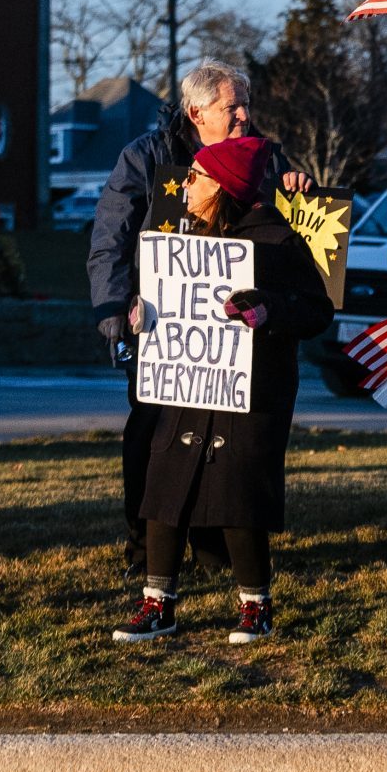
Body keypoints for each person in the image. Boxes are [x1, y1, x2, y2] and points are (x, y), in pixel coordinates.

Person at [86, 58, 304, 581]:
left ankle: (213, 553)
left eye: (246, 105)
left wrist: (299, 188)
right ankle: (146, 553)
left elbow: (296, 239)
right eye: (232, 107)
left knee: (220, 446)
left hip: (231, 341)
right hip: (161, 328)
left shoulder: (266, 157)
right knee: (153, 438)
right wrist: (113, 310)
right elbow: (111, 238)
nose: (244, 116)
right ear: (196, 113)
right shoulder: (146, 157)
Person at [115, 136, 336, 643]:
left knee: (239, 493)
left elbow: (317, 310)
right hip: (187, 386)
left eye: (197, 178)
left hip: (252, 393)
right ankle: (158, 603)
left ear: (224, 188)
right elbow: (159, 297)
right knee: (164, 486)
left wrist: (268, 309)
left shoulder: (277, 242)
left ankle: (256, 604)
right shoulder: (182, 241)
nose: (185, 186)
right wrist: (142, 313)